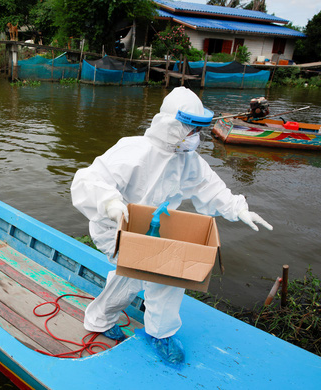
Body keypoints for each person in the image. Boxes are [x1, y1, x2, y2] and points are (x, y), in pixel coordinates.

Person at [70, 87, 272, 365]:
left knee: (163, 277)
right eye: (189, 129)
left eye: (196, 130)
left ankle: (143, 329)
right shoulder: (133, 150)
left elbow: (210, 188)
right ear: (170, 125)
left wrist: (238, 208)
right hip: (114, 228)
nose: (194, 136)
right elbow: (89, 181)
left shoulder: (189, 160)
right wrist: (111, 204)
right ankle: (116, 323)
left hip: (155, 229)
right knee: (143, 274)